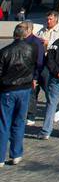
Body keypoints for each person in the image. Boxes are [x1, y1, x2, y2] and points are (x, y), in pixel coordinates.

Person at [0, 24, 38, 165]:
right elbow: (34, 65)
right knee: (19, 121)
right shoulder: (32, 49)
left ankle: (0, 157)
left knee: (4, 123)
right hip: (24, 88)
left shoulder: (4, 51)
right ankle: (16, 154)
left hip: (8, 89)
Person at [22, 21, 45, 125]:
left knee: (31, 94)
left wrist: (36, 76)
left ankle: (31, 116)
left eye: (22, 28)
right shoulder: (22, 40)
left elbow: (39, 60)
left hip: (32, 72)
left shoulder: (36, 42)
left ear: (29, 30)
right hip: (22, 72)